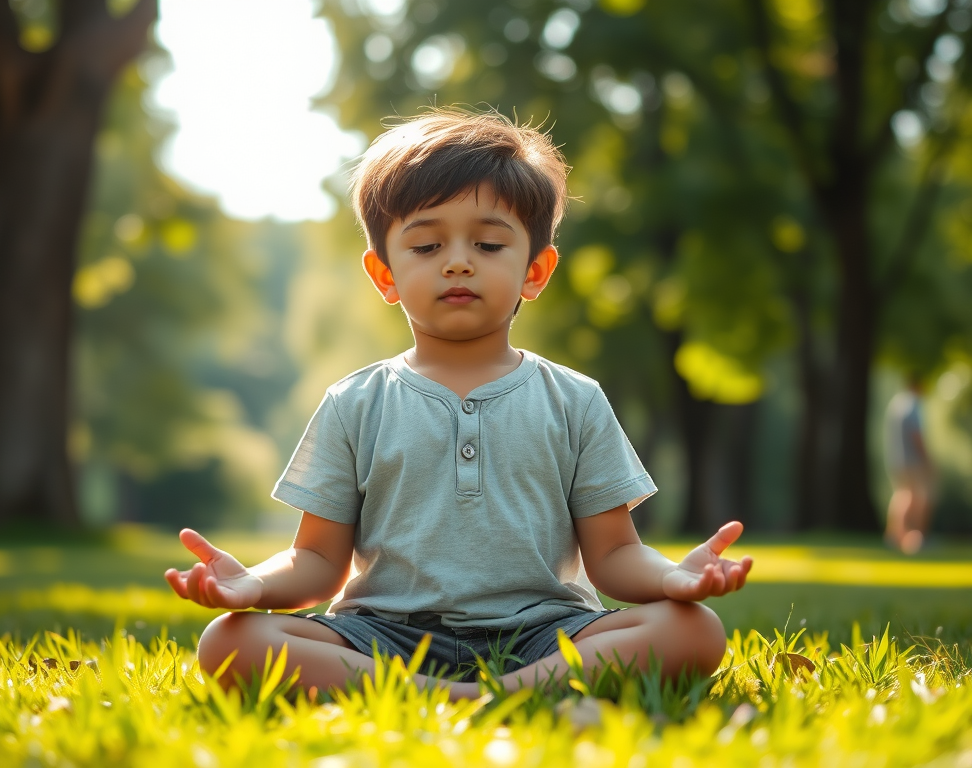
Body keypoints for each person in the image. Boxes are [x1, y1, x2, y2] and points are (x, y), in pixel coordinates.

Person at [164, 110, 753, 700]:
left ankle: (472, 693)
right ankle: (498, 697)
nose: (457, 261)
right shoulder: (354, 403)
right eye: (425, 244)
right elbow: (317, 560)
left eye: (490, 242)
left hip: (548, 631)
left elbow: (616, 554)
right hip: (383, 635)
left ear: (536, 270)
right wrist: (252, 586)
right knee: (228, 642)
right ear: (384, 273)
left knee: (692, 629)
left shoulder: (575, 400)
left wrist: (676, 577)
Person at [884, 380, 934, 554]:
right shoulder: (912, 406)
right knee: (916, 497)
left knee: (901, 495)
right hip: (912, 461)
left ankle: (894, 536)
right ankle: (915, 538)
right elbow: (916, 435)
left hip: (896, 459)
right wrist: (928, 459)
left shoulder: (895, 404)